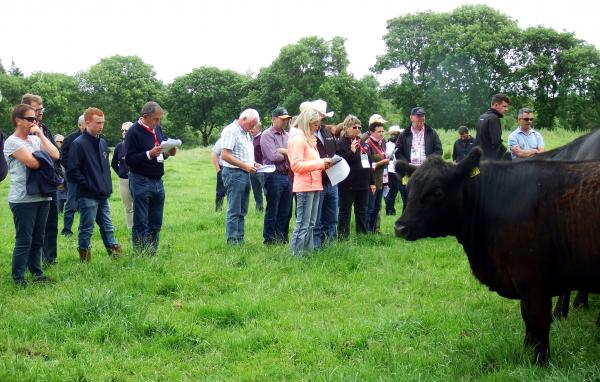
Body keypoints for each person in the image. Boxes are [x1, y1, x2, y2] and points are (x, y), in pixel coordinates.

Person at [4, 104, 60, 286]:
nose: (34, 122)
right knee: (24, 240)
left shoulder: (35, 140)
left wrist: (41, 135)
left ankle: (37, 273)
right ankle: (18, 277)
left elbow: (55, 155)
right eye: (30, 119)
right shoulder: (12, 142)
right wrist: (44, 159)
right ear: (17, 120)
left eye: (35, 119)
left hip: (43, 195)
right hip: (23, 199)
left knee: (38, 238)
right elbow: (32, 163)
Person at [68, 108, 122, 262]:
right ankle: (85, 261)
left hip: (103, 194)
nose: (101, 126)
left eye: (103, 122)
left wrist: (107, 187)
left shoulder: (103, 143)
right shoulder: (78, 144)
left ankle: (116, 257)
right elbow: (72, 171)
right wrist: (88, 185)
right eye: (98, 123)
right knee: (87, 229)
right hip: (87, 195)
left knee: (108, 227)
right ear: (86, 123)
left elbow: (105, 169)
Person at [125, 101, 177, 255]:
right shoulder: (133, 132)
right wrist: (148, 154)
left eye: (159, 119)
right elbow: (129, 159)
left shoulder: (157, 129)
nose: (158, 122)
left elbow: (159, 152)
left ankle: (151, 252)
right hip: (140, 180)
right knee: (141, 221)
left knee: (156, 221)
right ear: (145, 117)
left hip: (157, 181)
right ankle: (139, 253)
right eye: (156, 119)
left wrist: (167, 153)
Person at [21, 94, 60, 265]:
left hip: (51, 181)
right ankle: (32, 261)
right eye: (38, 110)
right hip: (36, 183)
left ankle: (50, 258)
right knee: (35, 228)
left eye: (42, 109)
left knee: (52, 223)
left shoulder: (45, 128)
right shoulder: (25, 133)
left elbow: (56, 155)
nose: (41, 112)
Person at [288, 109, 331, 255]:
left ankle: (307, 252)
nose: (317, 128)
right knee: (303, 224)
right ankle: (296, 255)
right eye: (315, 125)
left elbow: (312, 163)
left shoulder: (310, 140)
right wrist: (320, 163)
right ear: (307, 124)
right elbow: (296, 166)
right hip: (305, 186)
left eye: (318, 125)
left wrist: (325, 164)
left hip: (316, 184)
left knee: (312, 223)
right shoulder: (298, 140)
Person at [220, 109, 261, 245]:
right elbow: (225, 155)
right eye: (250, 125)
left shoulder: (245, 133)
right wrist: (245, 166)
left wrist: (253, 163)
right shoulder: (231, 130)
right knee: (234, 209)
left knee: (243, 209)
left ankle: (240, 239)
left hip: (244, 172)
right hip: (234, 173)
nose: (251, 128)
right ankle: (232, 241)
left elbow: (241, 153)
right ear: (243, 119)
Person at [395, 107, 443, 211]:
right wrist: (406, 165)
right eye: (418, 117)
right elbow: (398, 152)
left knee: (427, 200)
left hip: (427, 171)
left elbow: (438, 151)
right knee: (409, 201)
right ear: (411, 118)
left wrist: (430, 163)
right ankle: (407, 226)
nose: (421, 120)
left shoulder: (432, 132)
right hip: (410, 171)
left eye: (422, 117)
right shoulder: (404, 134)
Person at [336, 115, 375, 239]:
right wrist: (351, 151)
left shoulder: (362, 142)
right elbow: (340, 162)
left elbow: (369, 162)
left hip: (363, 183)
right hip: (348, 184)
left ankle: (362, 236)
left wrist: (372, 181)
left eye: (359, 127)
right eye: (354, 127)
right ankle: (343, 237)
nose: (357, 129)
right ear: (347, 128)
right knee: (345, 212)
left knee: (362, 211)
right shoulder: (341, 143)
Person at [260, 106, 293, 244]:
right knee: (273, 209)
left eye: (287, 119)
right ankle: (269, 240)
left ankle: (282, 238)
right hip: (273, 175)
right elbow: (273, 156)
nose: (286, 122)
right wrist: (286, 152)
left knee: (286, 210)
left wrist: (283, 151)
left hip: (287, 175)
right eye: (283, 119)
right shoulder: (267, 134)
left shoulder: (287, 135)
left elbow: (293, 154)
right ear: (274, 119)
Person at [310, 101, 338, 248]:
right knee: (317, 219)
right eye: (319, 115)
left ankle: (331, 246)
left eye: (322, 116)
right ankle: (317, 247)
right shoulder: (306, 133)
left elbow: (334, 151)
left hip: (332, 178)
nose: (321, 119)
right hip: (316, 179)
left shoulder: (326, 131)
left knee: (332, 217)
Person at [364, 114, 389, 233]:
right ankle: (367, 232)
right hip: (372, 180)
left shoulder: (382, 142)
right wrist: (382, 162)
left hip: (381, 180)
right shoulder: (367, 144)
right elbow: (367, 166)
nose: (381, 134)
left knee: (377, 207)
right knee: (370, 208)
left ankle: (374, 230)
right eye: (379, 131)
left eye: (382, 131)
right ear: (371, 132)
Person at [61, 115, 85, 236]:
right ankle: (67, 230)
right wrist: (73, 169)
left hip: (88, 179)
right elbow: (63, 157)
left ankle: (83, 229)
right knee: (71, 204)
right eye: (86, 123)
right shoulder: (70, 139)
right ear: (80, 125)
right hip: (73, 178)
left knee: (85, 205)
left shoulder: (95, 138)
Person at [111, 122, 134, 229]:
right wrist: (121, 173)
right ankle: (131, 228)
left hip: (138, 179)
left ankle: (142, 227)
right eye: (122, 130)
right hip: (124, 181)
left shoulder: (137, 145)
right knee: (128, 207)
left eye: (126, 130)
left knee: (140, 205)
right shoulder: (119, 147)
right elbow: (113, 163)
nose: (124, 132)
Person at [476, 93, 510, 160]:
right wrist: (507, 156)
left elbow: (477, 140)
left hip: (481, 158)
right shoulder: (493, 118)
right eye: (504, 106)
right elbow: (497, 142)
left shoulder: (482, 117)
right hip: (491, 161)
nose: (507, 109)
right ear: (496, 105)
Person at [384, 125, 402, 215]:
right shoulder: (388, 145)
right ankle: (390, 209)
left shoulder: (394, 144)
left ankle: (390, 208)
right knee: (392, 191)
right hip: (390, 170)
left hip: (394, 170)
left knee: (393, 192)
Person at [249, 123, 265, 212]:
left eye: (253, 127)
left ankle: (271, 208)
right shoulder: (251, 139)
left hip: (261, 169)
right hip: (252, 169)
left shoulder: (262, 138)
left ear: (259, 128)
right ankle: (259, 209)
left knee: (266, 190)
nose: (251, 129)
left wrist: (262, 164)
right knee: (256, 191)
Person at [211, 137, 226, 212]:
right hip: (223, 168)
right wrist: (218, 170)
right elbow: (214, 154)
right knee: (221, 191)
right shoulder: (222, 140)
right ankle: (218, 211)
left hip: (237, 168)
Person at [54, 134, 67, 212]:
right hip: (58, 178)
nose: (63, 143)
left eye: (64, 141)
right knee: (60, 192)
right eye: (61, 141)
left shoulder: (66, 151)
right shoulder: (52, 152)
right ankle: (59, 211)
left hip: (67, 177)